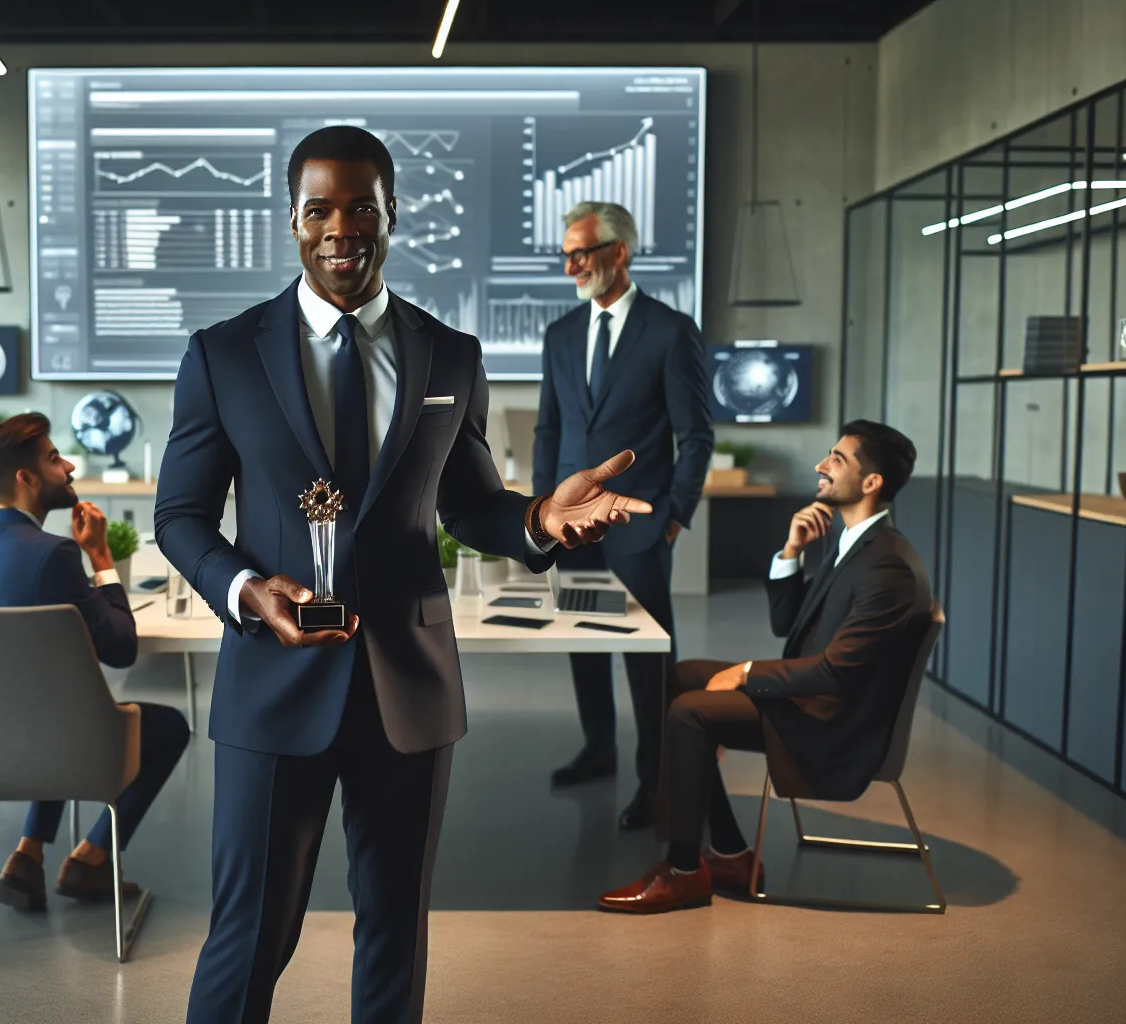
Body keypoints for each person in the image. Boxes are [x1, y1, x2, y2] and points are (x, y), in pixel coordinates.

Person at [158, 125, 652, 1024]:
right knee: (253, 930)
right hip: (274, 684)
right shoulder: (222, 355)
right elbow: (180, 518)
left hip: (409, 689)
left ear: (392, 213)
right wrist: (243, 590)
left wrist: (539, 517)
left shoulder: (448, 355)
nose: (339, 227)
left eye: (360, 207)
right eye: (319, 209)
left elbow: (470, 506)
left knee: (394, 925)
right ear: (292, 220)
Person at [597, 421, 933, 913]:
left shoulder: (886, 567)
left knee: (690, 712)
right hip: (817, 695)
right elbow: (787, 625)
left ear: (871, 483)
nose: (821, 465)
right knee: (679, 676)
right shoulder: (857, 544)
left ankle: (684, 871)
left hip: (832, 724)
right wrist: (792, 551)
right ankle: (730, 852)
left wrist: (747, 674)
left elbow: (836, 674)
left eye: (837, 460)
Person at [0, 413, 190, 910]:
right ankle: (91, 857)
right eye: (55, 459)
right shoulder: (53, 555)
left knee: (47, 700)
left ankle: (27, 853)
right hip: (59, 745)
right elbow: (121, 650)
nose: (70, 466)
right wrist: (99, 558)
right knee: (170, 725)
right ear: (26, 479)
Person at [533, 200, 713, 831]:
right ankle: (599, 749)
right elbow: (550, 429)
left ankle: (657, 779)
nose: (571, 267)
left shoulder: (669, 331)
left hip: (641, 529)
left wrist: (674, 517)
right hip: (574, 528)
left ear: (619, 252)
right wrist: (542, 509)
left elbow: (697, 436)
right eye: (567, 255)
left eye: (580, 254)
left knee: (647, 663)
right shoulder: (559, 336)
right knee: (583, 644)